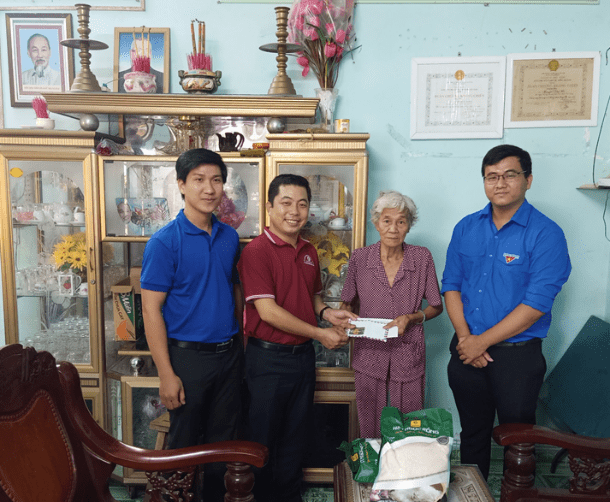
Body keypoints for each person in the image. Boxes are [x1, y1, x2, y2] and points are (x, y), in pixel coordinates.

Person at [441, 144, 571, 480]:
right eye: (491, 176)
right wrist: (467, 339)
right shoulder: (466, 227)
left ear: (528, 180)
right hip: (466, 351)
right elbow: (451, 285)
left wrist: (480, 342)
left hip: (517, 358)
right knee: (472, 435)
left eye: (509, 175)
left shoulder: (546, 234)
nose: (500, 183)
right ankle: (475, 496)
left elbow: (537, 304)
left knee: (519, 443)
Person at [237, 174, 357, 502]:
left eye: (302, 204)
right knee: (263, 440)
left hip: (303, 358)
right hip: (267, 360)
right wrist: (320, 333)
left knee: (295, 437)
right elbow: (268, 312)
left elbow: (312, 298)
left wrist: (329, 314)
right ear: (269, 207)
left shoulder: (308, 250)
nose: (294, 211)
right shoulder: (256, 252)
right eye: (286, 203)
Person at [140, 148, 243, 501]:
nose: (209, 189)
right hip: (187, 359)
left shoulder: (229, 237)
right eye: (199, 180)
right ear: (182, 185)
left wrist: (240, 346)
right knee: (183, 445)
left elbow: (233, 290)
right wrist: (165, 374)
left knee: (223, 444)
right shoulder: (164, 242)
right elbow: (151, 310)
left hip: (229, 355)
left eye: (216, 180)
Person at [340, 190, 443, 438]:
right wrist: (346, 322)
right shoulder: (360, 258)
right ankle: (373, 460)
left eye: (401, 222)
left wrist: (412, 318)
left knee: (408, 425)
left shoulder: (422, 257)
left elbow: (436, 305)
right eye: (387, 221)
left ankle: (403, 463)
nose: (393, 229)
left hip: (408, 351)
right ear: (376, 223)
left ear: (409, 225)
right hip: (369, 350)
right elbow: (346, 304)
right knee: (369, 424)